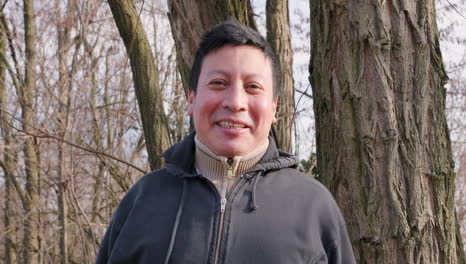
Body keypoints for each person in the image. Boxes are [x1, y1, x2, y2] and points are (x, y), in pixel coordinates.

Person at [96, 18, 355, 264]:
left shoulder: (313, 207)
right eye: (218, 83)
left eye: (253, 87)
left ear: (274, 108)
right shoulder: (143, 200)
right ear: (191, 99)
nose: (235, 102)